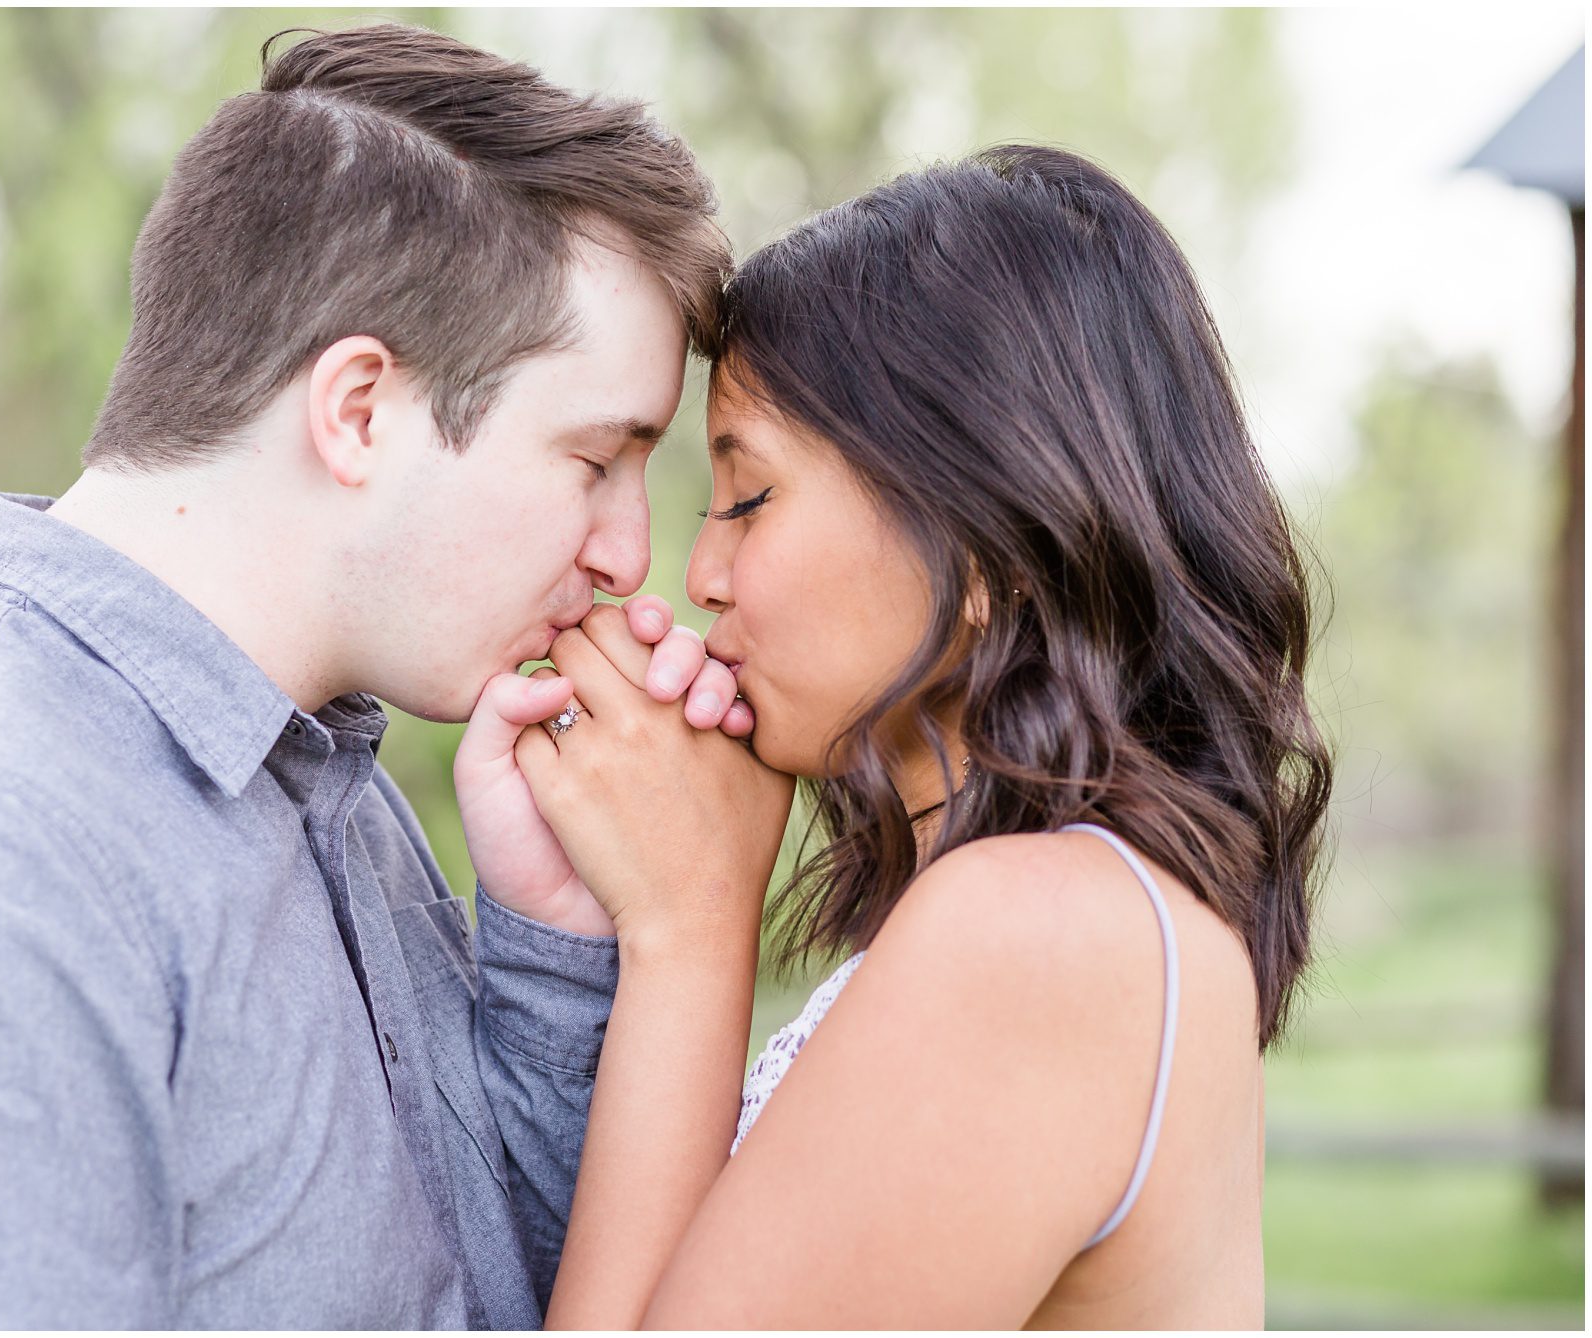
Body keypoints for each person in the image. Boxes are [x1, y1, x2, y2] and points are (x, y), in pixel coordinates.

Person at [0, 23, 744, 1329]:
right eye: (593, 460)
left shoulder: (322, 788)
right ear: (359, 410)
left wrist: (553, 952)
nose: (634, 555)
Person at [508, 145, 1333, 1328]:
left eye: (747, 498)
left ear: (988, 541)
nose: (698, 573)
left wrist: (690, 924)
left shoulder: (1034, 931)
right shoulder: (1075, 910)